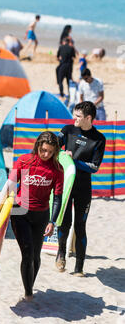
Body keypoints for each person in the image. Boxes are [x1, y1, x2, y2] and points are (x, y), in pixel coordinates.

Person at [0, 131, 64, 302]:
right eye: (43, 150)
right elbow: (9, 185)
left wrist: (52, 221)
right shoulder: (25, 161)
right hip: (20, 213)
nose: (46, 155)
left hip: (41, 215)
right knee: (27, 254)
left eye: (50, 152)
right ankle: (28, 294)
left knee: (36, 256)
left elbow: (57, 197)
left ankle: (29, 285)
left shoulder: (57, 169)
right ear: (38, 147)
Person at [56, 101, 106, 276]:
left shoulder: (99, 139)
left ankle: (79, 267)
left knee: (80, 226)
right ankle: (61, 255)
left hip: (83, 188)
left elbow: (94, 167)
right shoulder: (67, 130)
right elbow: (54, 146)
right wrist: (62, 154)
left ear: (88, 118)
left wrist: (74, 161)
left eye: (78, 116)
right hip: (66, 185)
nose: (74, 119)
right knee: (64, 221)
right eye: (74, 115)